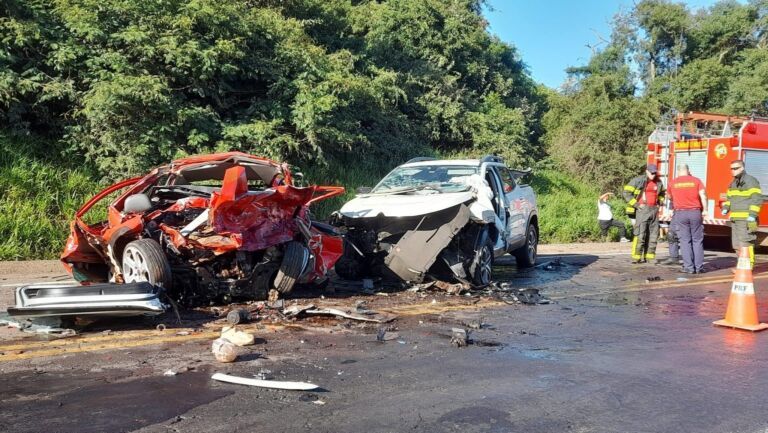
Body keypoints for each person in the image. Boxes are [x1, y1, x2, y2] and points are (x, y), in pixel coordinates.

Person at [667, 164, 707, 273]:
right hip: (695, 212)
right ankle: (699, 268)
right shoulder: (696, 181)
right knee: (697, 240)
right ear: (688, 170)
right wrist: (705, 210)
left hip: (680, 213)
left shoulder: (672, 183)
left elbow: (670, 197)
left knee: (685, 241)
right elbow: (703, 195)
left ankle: (689, 268)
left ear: (678, 171)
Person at [721, 160, 763, 266]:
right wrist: (726, 207)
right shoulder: (733, 183)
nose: (733, 171)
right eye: (731, 169)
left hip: (746, 219)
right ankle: (742, 265)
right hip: (735, 219)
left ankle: (748, 266)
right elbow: (729, 198)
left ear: (742, 168)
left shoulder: (750, 181)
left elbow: (757, 199)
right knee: (736, 245)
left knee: (746, 243)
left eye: (736, 168)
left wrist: (752, 215)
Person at [623, 164, 666, 264]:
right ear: (646, 171)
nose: (653, 174)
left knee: (653, 235)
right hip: (642, 210)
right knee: (640, 234)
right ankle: (636, 257)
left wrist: (659, 203)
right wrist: (637, 205)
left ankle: (650, 257)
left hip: (654, 210)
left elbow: (662, 193)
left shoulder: (658, 182)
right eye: (651, 172)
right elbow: (626, 193)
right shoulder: (638, 180)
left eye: (655, 172)